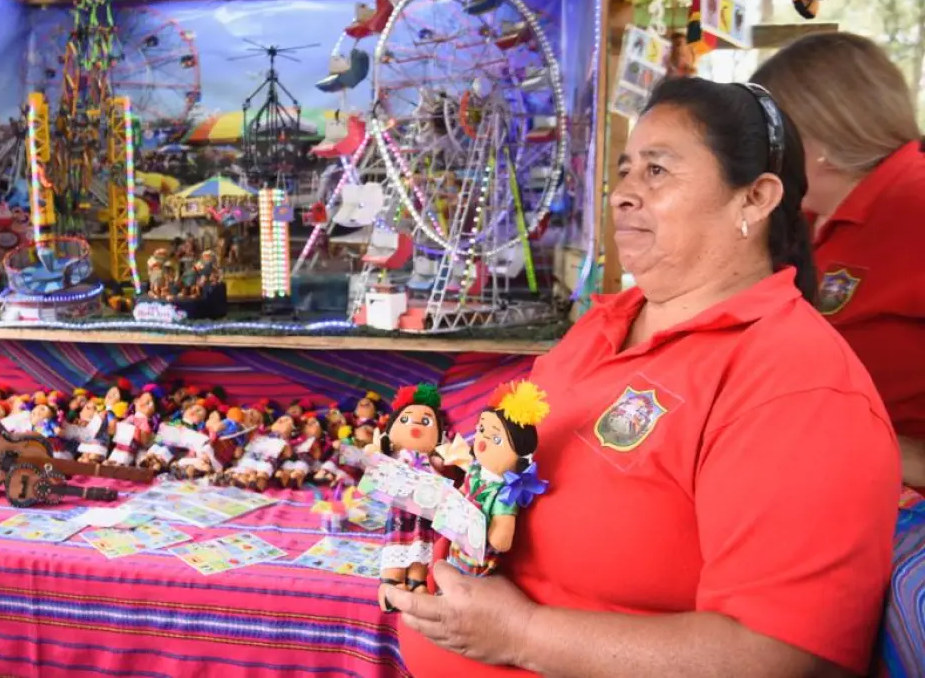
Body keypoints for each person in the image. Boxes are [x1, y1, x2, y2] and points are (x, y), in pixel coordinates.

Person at [394, 78, 900, 677]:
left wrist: (520, 634)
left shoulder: (794, 383)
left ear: (756, 198)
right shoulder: (607, 324)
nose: (623, 195)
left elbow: (778, 658)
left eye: (657, 171)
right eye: (625, 170)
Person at [751, 33, 925, 487]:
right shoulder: (807, 215)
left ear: (818, 139)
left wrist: (893, 450)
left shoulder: (913, 204)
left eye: (771, 137)